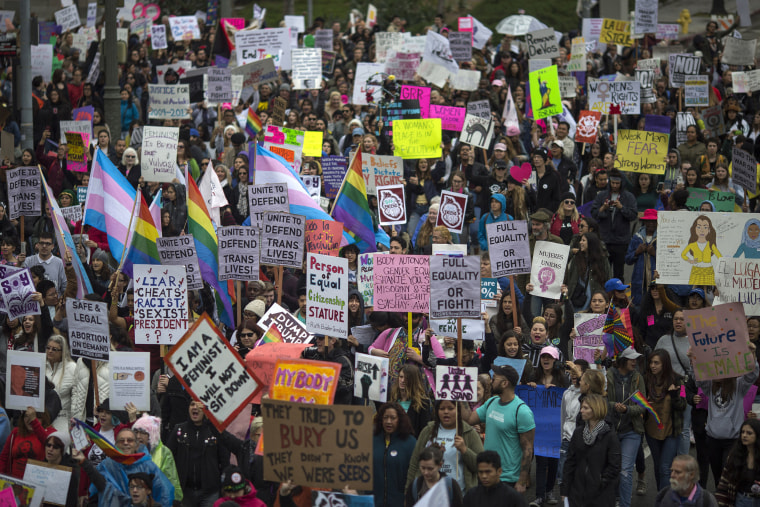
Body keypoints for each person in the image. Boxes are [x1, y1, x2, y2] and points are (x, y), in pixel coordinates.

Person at [692, 341, 759, 485]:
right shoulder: (710, 385)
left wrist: (752, 354)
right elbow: (698, 377)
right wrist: (693, 359)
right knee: (717, 477)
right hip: (713, 439)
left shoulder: (739, 385)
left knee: (727, 474)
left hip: (732, 440)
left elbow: (752, 374)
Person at [462, 365, 535, 491]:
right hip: (487, 475)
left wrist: (522, 481)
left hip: (508, 479)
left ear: (505, 383)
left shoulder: (521, 411)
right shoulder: (492, 402)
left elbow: (528, 450)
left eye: (494, 378)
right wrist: (461, 395)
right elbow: (469, 419)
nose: (491, 381)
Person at [73, 426, 174, 507]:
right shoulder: (107, 465)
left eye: (129, 440)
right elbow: (98, 486)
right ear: (116, 445)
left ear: (136, 445)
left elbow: (164, 493)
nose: (125, 443)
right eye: (122, 440)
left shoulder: (149, 466)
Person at [406, 400, 484, 493]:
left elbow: (481, 465)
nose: (446, 412)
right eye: (442, 408)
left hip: (458, 495)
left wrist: (465, 450)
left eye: (450, 408)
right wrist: (409, 491)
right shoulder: (428, 431)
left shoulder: (469, 433)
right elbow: (414, 463)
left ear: (458, 410)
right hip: (428, 494)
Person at [561, 393, 621, 507]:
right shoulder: (578, 433)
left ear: (596, 409)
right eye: (581, 407)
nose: (581, 411)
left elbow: (615, 466)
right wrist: (565, 490)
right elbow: (570, 462)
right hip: (577, 494)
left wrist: (600, 482)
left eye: (585, 408)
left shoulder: (610, 436)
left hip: (601, 497)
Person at [166, 401, 230, 507]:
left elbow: (224, 461)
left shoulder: (215, 431)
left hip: (210, 492)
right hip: (185, 492)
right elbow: (168, 458)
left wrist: (223, 486)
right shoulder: (179, 430)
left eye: (199, 405)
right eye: (192, 404)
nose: (195, 407)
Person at [606, 347, 647, 507]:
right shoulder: (609, 375)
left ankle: (624, 504)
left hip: (631, 431)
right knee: (613, 469)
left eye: (636, 358)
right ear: (622, 360)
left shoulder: (638, 378)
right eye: (631, 358)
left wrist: (628, 409)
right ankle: (614, 498)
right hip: (612, 430)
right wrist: (613, 406)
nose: (634, 361)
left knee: (625, 471)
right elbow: (602, 401)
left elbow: (642, 406)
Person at [644, 350, 687, 492]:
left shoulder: (679, 380)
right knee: (658, 466)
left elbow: (683, 405)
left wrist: (675, 395)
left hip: (671, 431)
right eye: (651, 362)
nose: (652, 366)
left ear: (665, 364)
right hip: (652, 430)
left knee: (665, 468)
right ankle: (663, 495)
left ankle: (665, 501)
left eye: (656, 363)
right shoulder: (646, 380)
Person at [591, 168, 638, 280]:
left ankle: (618, 295)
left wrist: (622, 208)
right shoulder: (602, 195)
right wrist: (603, 208)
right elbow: (593, 213)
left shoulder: (628, 197)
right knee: (602, 272)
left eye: (617, 183)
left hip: (620, 241)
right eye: (612, 183)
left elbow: (633, 215)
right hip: (604, 239)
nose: (615, 185)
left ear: (621, 183)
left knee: (618, 273)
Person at [373, 402, 417, 507]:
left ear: (400, 420)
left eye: (393, 418)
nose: (388, 421)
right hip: (374, 501)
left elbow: (415, 473)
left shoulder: (410, 443)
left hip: (400, 502)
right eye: (385, 418)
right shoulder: (372, 440)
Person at [133, 414, 183, 503]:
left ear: (151, 436)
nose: (138, 436)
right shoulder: (130, 451)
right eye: (136, 432)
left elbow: (171, 481)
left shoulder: (163, 452)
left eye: (143, 432)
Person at [715, 418, 760, 506]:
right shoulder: (735, 455)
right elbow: (724, 482)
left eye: (749, 433)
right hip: (741, 499)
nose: (744, 435)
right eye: (742, 432)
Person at [0, 407, 54, 478]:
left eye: (36, 417)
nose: (29, 420)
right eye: (26, 416)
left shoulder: (50, 432)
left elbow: (49, 443)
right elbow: (4, 458)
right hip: (13, 483)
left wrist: (34, 422)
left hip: (37, 484)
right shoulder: (16, 432)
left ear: (44, 419)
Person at [462, 451, 528, 506]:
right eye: (480, 472)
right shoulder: (471, 495)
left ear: (499, 471)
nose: (484, 476)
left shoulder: (513, 497)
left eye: (488, 472)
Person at [625, 209, 658, 305]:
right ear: (644, 222)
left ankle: (651, 321)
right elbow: (628, 260)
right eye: (648, 221)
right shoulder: (636, 238)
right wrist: (636, 252)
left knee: (652, 308)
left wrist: (654, 254)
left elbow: (668, 261)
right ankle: (640, 320)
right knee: (638, 306)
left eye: (654, 221)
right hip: (638, 281)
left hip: (655, 280)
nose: (651, 224)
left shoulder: (662, 238)